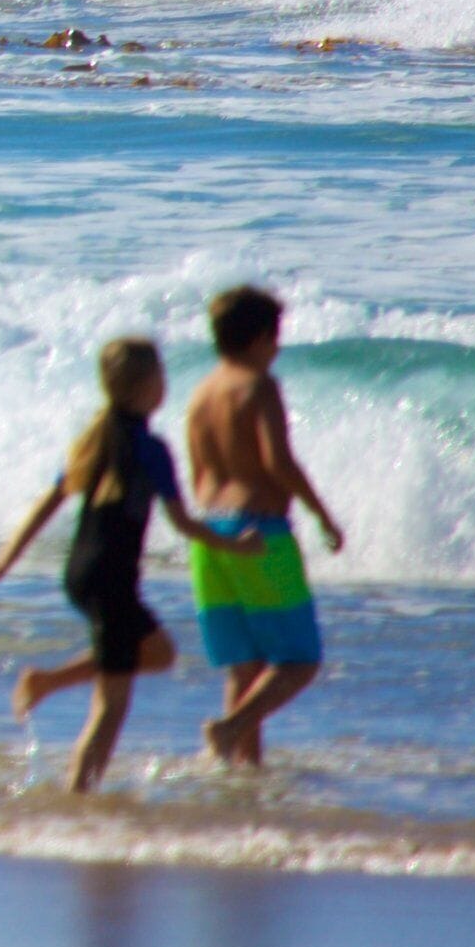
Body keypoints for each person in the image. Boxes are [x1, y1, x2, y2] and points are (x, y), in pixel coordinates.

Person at [0, 335, 261, 794]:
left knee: (159, 653)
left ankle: (47, 682)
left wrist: (4, 562)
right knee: (110, 705)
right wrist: (236, 546)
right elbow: (183, 522)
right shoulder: (150, 449)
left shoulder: (97, 438)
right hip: (112, 583)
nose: (166, 384)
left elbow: (49, 503)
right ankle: (78, 799)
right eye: (161, 375)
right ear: (146, 387)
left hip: (83, 575)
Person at [186, 285, 342, 768]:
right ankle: (230, 729)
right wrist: (320, 513)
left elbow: (197, 475)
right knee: (299, 660)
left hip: (211, 535)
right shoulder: (259, 385)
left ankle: (244, 773)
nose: (277, 349)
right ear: (258, 340)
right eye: (275, 339)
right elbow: (279, 462)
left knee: (244, 664)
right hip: (260, 534)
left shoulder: (202, 392)